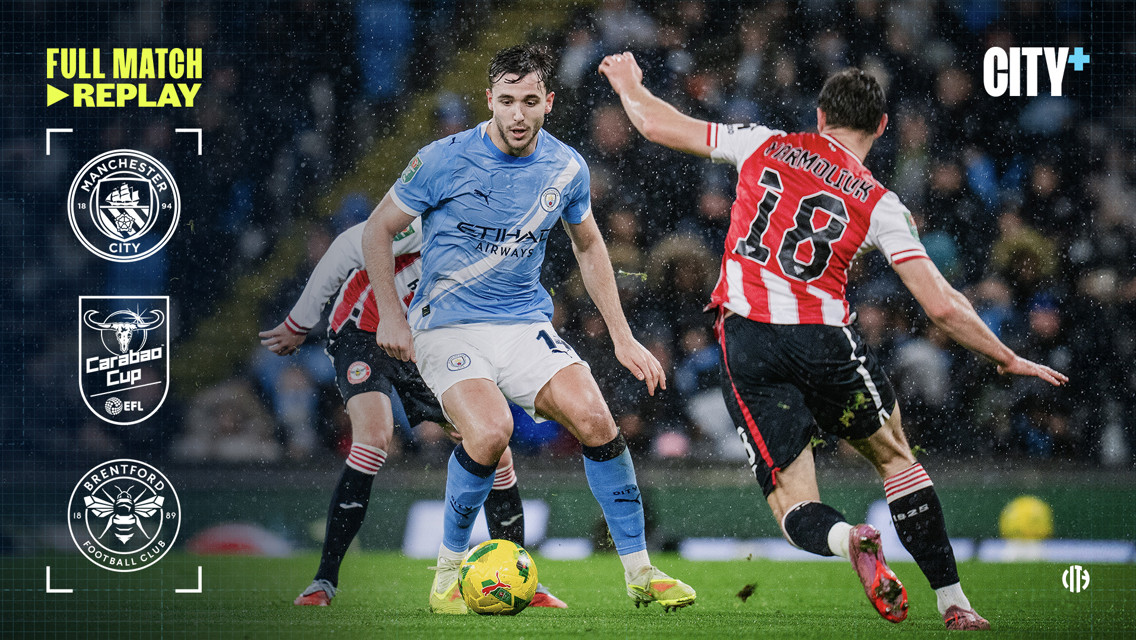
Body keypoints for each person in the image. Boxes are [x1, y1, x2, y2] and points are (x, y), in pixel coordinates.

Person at [600, 54, 1067, 630]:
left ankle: (850, 538)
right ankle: (954, 603)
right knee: (896, 461)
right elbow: (941, 305)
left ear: (820, 116)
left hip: (748, 339)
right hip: (824, 338)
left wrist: (628, 84)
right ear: (882, 126)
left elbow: (655, 125)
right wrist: (1006, 355)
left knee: (793, 504)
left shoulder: (763, 143)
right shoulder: (880, 202)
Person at [362, 44, 696, 614]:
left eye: (531, 101)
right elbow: (377, 230)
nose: (518, 114)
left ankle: (641, 573)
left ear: (549, 103)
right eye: (508, 100)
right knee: (490, 432)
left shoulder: (566, 167)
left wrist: (622, 336)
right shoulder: (442, 159)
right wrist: (392, 316)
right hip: (448, 327)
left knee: (596, 419)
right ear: (490, 99)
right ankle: (446, 579)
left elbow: (589, 244)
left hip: (522, 324)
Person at [258, 216, 566, 608]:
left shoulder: (501, 249)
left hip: (423, 343)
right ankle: (323, 582)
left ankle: (524, 581)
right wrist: (299, 322)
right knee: (375, 435)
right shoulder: (435, 222)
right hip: (363, 332)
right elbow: (346, 248)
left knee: (494, 444)